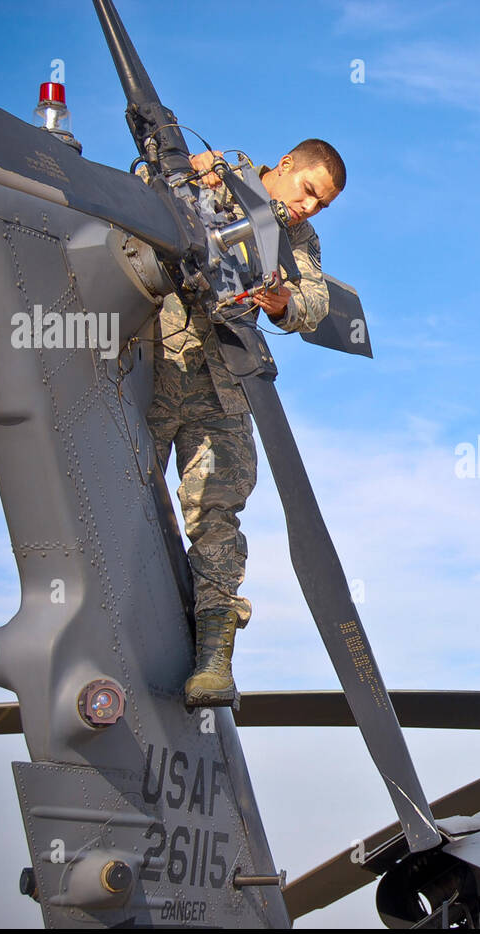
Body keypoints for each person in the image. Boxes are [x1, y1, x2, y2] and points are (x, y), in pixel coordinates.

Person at [146, 139, 346, 708]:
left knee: (218, 513)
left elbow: (313, 302)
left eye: (322, 205)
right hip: (153, 360)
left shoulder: (298, 239)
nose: (310, 208)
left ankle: (212, 660)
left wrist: (280, 299)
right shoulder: (214, 177)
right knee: (123, 491)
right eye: (309, 191)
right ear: (284, 165)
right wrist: (180, 179)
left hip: (223, 381)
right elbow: (134, 208)